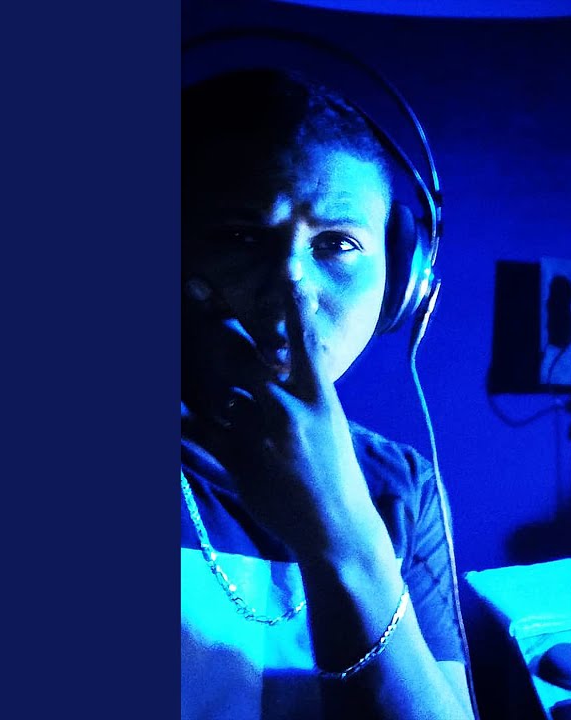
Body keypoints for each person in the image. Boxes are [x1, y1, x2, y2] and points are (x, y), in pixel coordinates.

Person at [180, 66, 475, 719]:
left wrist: (343, 534)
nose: (291, 286)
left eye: (337, 244)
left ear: (402, 285)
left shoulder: (403, 486)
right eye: (241, 238)